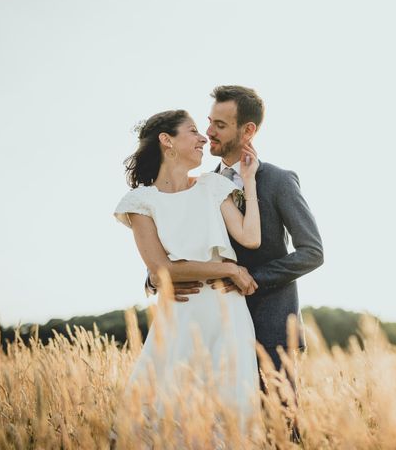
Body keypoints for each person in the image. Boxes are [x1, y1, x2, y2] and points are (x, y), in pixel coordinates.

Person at [146, 86, 324, 439]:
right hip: (209, 329)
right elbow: (173, 243)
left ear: (248, 131)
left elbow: (312, 251)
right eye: (209, 122)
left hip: (269, 327)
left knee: (280, 432)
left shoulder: (278, 180)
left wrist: (248, 277)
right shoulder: (197, 186)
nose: (208, 131)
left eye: (220, 125)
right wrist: (156, 278)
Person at [114, 109, 262, 430]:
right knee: (166, 406)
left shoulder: (211, 185)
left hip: (229, 312)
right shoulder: (139, 201)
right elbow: (160, 270)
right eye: (193, 131)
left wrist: (248, 183)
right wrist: (228, 271)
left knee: (231, 407)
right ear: (167, 140)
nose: (202, 137)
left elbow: (250, 237)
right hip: (182, 313)